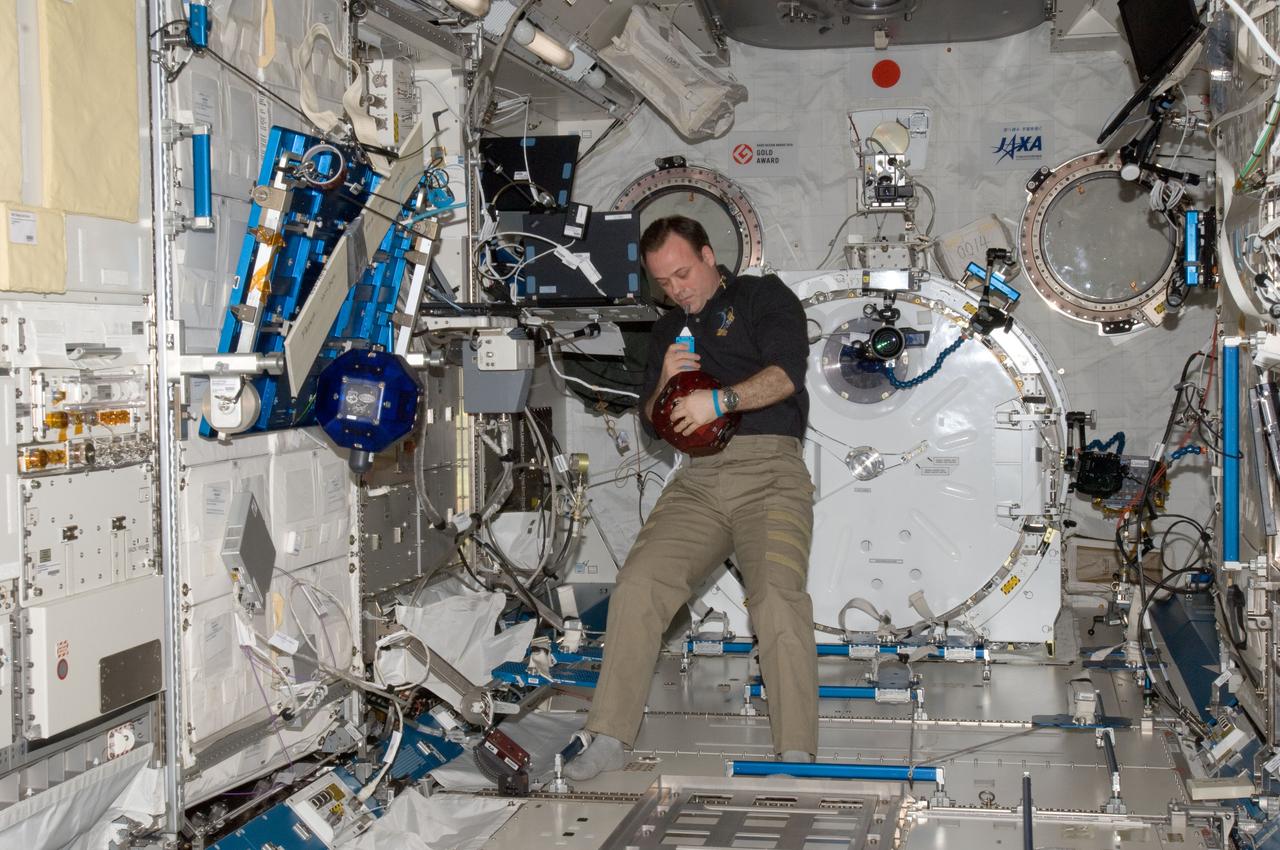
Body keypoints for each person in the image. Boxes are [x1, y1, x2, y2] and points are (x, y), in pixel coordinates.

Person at [566, 215, 819, 781]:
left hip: (770, 474)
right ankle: (608, 735)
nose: (676, 290)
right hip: (699, 481)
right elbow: (652, 424)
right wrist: (664, 379)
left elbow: (787, 375)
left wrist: (719, 401)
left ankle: (796, 751)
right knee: (638, 585)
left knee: (777, 599)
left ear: (708, 256)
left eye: (683, 274)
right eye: (664, 283)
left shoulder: (760, 297)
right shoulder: (667, 330)